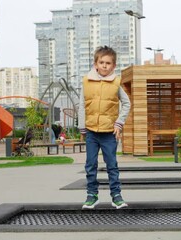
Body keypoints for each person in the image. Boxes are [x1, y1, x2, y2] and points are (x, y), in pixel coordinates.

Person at [78, 46, 131, 209]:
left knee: (112, 164)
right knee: (90, 164)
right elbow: (81, 105)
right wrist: (82, 127)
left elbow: (127, 103)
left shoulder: (116, 83)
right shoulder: (86, 82)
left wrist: (119, 123)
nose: (104, 66)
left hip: (109, 133)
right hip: (92, 132)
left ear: (113, 66)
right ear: (95, 64)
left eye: (108, 63)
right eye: (101, 62)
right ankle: (92, 195)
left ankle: (116, 195)